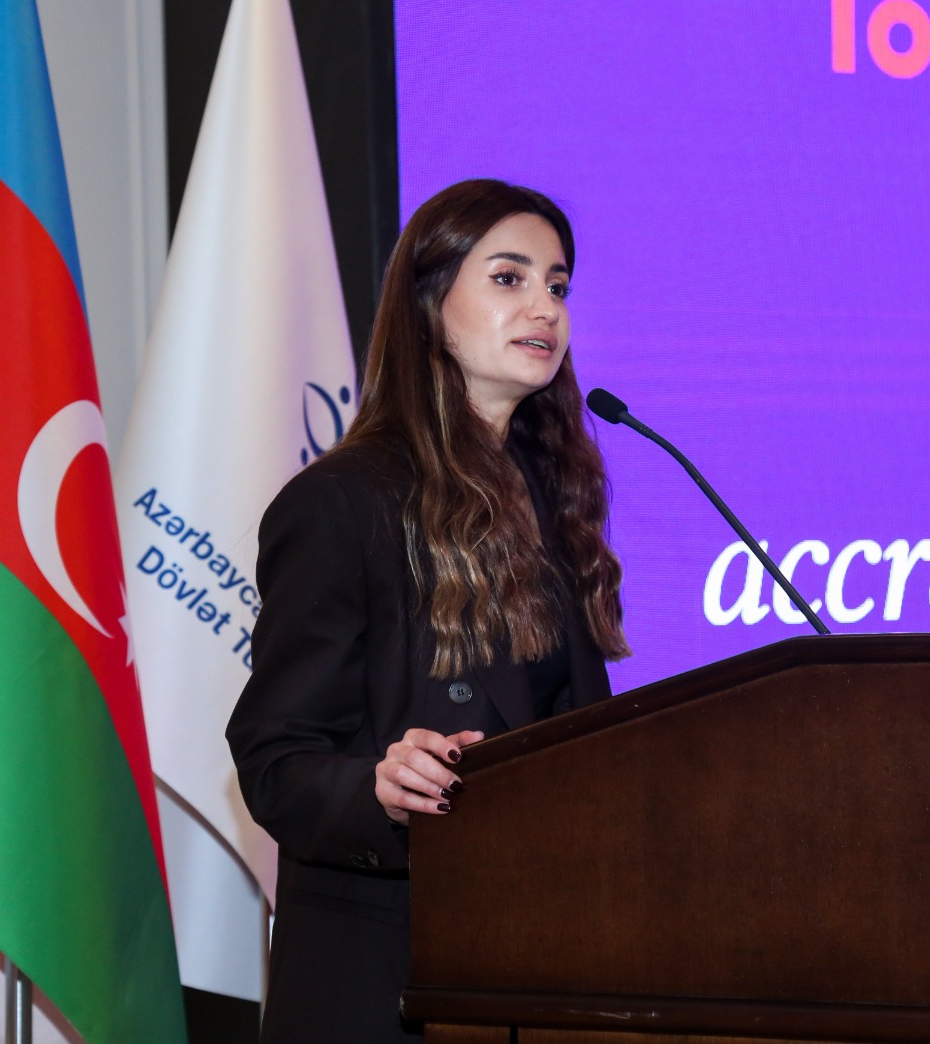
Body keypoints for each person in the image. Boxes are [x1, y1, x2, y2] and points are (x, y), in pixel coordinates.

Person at [226, 179, 629, 1042]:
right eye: (510, 278)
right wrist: (377, 787)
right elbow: (274, 759)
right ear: (428, 304)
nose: (546, 308)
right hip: (381, 983)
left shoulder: (556, 503)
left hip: (528, 972)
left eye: (557, 285)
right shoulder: (341, 502)